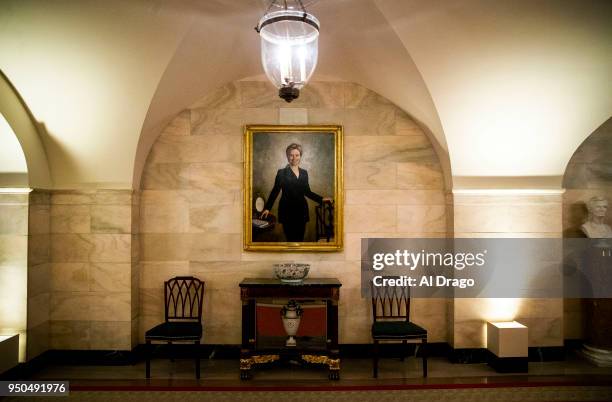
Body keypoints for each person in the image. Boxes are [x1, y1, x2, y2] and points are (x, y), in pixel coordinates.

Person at [260, 143, 332, 242]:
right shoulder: (281, 173)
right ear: (287, 156)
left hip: (301, 211)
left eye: (297, 155)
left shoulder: (304, 173)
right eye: (291, 155)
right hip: (287, 211)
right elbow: (275, 191)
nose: (294, 158)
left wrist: (321, 199)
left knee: (300, 240)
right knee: (291, 240)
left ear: (300, 156)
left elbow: (307, 192)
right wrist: (267, 208)